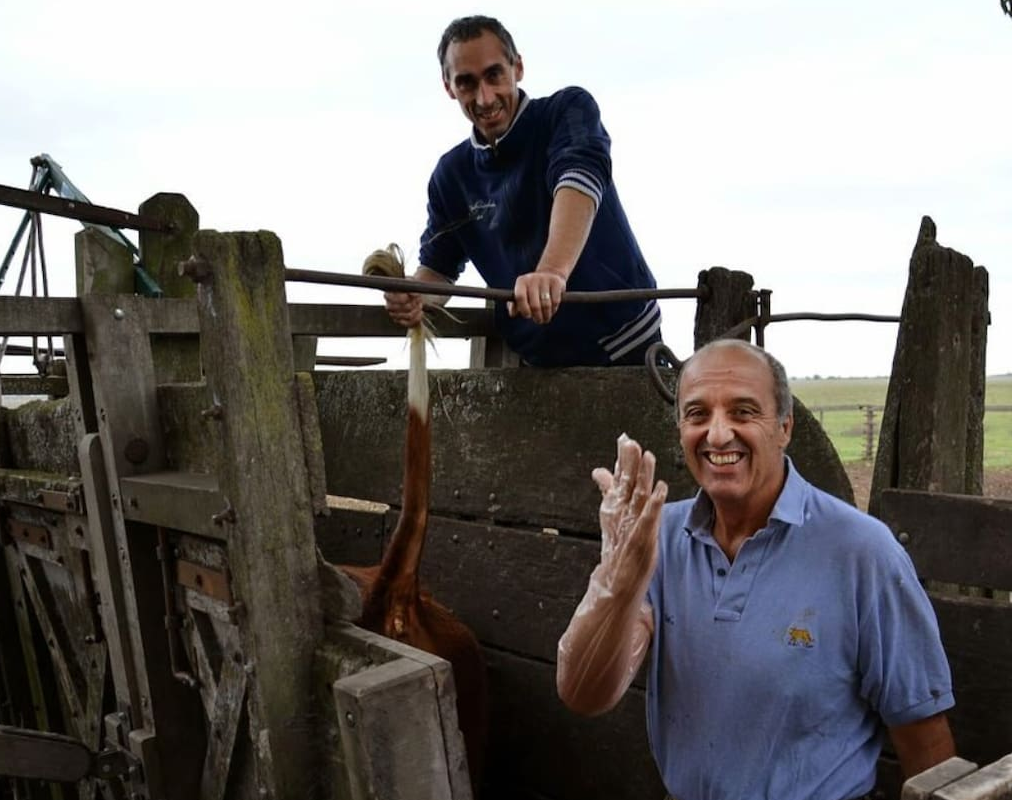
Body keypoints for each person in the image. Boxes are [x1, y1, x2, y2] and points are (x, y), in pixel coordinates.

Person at [555, 339, 956, 800]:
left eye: (743, 412)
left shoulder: (862, 552)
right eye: (697, 414)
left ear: (784, 427)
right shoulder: (656, 537)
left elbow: (924, 740)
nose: (717, 435)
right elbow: (584, 695)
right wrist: (618, 586)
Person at [382, 15, 663, 367]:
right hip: (537, 366)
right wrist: (416, 296)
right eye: (467, 83)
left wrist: (552, 271)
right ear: (449, 87)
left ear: (518, 67)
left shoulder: (567, 110)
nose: (485, 98)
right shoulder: (450, 175)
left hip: (626, 346)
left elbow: (579, 178)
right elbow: (438, 268)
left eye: (494, 75)